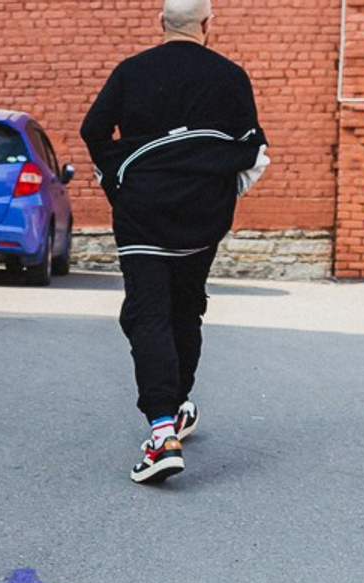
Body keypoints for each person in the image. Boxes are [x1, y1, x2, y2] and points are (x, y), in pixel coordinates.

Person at [81, 0, 266, 484]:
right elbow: (252, 148)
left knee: (147, 313)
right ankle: (177, 404)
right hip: (203, 216)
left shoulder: (131, 71)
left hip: (143, 212)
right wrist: (222, 190)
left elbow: (93, 130)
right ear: (208, 24)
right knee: (186, 308)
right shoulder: (230, 76)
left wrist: (118, 178)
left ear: (160, 22)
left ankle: (163, 430)